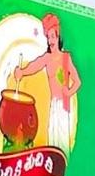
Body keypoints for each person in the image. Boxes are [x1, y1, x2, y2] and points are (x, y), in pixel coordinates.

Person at [13, 13, 81, 156]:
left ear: (58, 37)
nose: (51, 40)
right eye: (48, 37)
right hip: (53, 105)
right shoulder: (47, 58)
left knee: (62, 143)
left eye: (53, 37)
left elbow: (77, 81)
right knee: (52, 139)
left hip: (63, 106)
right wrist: (22, 72)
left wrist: (68, 92)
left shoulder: (65, 58)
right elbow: (35, 65)